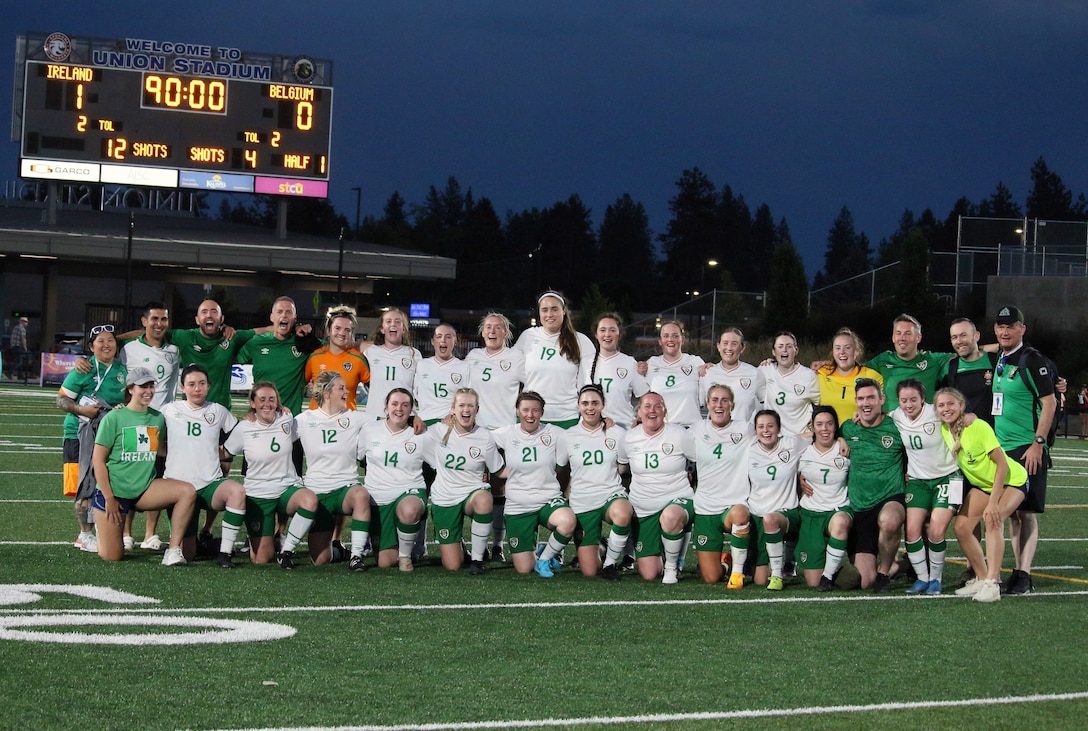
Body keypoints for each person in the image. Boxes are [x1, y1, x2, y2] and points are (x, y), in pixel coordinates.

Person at [89, 367, 197, 564]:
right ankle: (103, 529)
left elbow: (161, 449)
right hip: (115, 492)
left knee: (187, 491)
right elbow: (98, 460)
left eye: (151, 386)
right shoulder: (113, 418)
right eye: (143, 387)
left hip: (144, 490)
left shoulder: (158, 418)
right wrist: (109, 498)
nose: (148, 391)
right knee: (113, 556)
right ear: (130, 389)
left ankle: (173, 550)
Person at [937, 387, 1029, 603]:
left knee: (992, 519)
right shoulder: (944, 429)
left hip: (1011, 481)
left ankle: (992, 583)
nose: (946, 408)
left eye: (951, 403)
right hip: (983, 485)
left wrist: (994, 502)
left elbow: (1002, 465)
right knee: (961, 527)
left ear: (962, 406)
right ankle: (980, 577)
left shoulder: (978, 427)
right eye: (941, 405)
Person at [990, 305, 1057, 595]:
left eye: (1011, 327)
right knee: (1014, 514)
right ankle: (1015, 572)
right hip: (1002, 450)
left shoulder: (1032, 360)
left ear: (1022, 329)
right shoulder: (1001, 358)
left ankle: (1024, 574)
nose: (1005, 331)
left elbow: (1050, 402)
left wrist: (1038, 444)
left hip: (1026, 447)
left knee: (1025, 513)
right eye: (1001, 327)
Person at [222, 381, 319, 569]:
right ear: (252, 404)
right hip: (258, 493)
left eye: (272, 399)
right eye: (262, 399)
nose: (267, 404)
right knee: (261, 559)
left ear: (278, 403)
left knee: (309, 501)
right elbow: (225, 453)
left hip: (286, 488)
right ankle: (262, 540)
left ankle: (286, 552)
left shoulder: (286, 418)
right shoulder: (244, 428)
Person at [159, 364, 247, 568]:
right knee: (188, 554)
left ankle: (224, 552)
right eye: (191, 384)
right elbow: (147, 429)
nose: (197, 388)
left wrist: (259, 415)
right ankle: (204, 544)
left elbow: (242, 431)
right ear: (183, 388)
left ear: (208, 386)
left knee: (237, 491)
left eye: (201, 384)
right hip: (179, 488)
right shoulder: (169, 409)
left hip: (210, 484)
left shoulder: (218, 410)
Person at [56, 324, 127, 553]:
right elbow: (60, 401)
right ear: (91, 347)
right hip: (78, 434)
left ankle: (97, 529)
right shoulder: (83, 369)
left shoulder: (122, 371)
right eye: (100, 341)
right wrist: (81, 410)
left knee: (103, 482)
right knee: (83, 484)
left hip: (107, 436)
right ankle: (84, 534)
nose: (106, 345)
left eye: (111, 341)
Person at [117, 302, 180, 551]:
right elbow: (118, 377)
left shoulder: (175, 349)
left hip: (163, 423)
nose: (159, 324)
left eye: (163, 319)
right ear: (144, 321)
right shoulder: (128, 349)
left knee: (157, 475)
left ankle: (150, 535)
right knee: (133, 473)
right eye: (154, 318)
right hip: (135, 420)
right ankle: (126, 534)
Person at [294, 371, 373, 571]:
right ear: (327, 393)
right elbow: (276, 432)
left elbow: (390, 420)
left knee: (361, 495)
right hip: (316, 492)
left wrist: (413, 419)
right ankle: (341, 552)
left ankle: (356, 555)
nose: (347, 391)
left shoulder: (357, 418)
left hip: (346, 489)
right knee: (321, 559)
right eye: (342, 388)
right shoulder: (302, 420)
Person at [492, 391, 577, 577]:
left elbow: (581, 436)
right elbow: (476, 438)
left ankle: (545, 558)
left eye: (535, 410)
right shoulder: (506, 433)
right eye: (525, 410)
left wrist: (606, 422)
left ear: (542, 413)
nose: (530, 415)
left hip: (548, 498)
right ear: (517, 411)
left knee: (568, 521)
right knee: (524, 569)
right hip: (518, 505)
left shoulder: (555, 433)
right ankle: (539, 555)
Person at [464, 312, 525, 561]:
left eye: (497, 327)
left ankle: (498, 544)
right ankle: (472, 544)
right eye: (488, 327)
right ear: (482, 332)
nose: (492, 331)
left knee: (499, 489)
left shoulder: (515, 357)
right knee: (470, 488)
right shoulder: (473, 357)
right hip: (475, 434)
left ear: (505, 333)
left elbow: (532, 387)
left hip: (503, 433)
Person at [889, 379, 957, 595]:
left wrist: (970, 417)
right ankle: (922, 578)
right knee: (910, 531)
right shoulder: (896, 416)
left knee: (936, 531)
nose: (908, 405)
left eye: (913, 400)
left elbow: (960, 416)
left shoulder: (936, 412)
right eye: (903, 400)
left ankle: (936, 579)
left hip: (948, 478)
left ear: (922, 399)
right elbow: (876, 419)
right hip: (918, 481)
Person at [429, 387, 504, 574]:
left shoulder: (485, 436)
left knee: (485, 499)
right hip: (445, 498)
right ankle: (459, 544)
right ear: (453, 409)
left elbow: (499, 470)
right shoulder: (438, 431)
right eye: (461, 405)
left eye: (471, 405)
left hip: (472, 493)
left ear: (477, 410)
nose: (466, 410)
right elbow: (412, 430)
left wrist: (530, 470)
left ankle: (477, 560)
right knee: (453, 565)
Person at [841, 378, 906, 591]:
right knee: (864, 581)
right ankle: (899, 565)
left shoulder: (897, 426)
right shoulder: (848, 428)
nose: (865, 403)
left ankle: (885, 573)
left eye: (871, 398)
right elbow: (820, 438)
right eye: (861, 399)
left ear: (882, 400)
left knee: (889, 521)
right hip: (859, 506)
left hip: (890, 497)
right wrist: (841, 439)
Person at [624, 392, 696, 584]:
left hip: (677, 497)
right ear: (639, 412)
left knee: (671, 517)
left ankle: (672, 567)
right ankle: (668, 550)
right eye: (647, 406)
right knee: (649, 573)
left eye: (658, 406)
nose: (652, 411)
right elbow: (621, 467)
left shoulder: (680, 434)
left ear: (664, 411)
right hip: (644, 506)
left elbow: (700, 461)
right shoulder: (629, 438)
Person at [563, 384, 632, 580]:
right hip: (583, 500)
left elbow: (623, 468)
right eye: (585, 403)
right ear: (578, 406)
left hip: (610, 493)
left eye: (595, 403)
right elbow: (563, 468)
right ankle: (600, 547)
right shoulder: (568, 436)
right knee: (590, 570)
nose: (590, 407)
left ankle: (610, 563)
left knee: (623, 512)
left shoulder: (617, 433)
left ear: (603, 405)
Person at [358, 388, 429, 571]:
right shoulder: (370, 430)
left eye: (405, 405)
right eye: (395, 404)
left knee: (410, 509)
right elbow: (359, 458)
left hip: (409, 489)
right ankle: (403, 540)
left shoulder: (421, 433)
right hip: (378, 498)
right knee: (384, 562)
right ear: (386, 407)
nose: (399, 409)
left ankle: (406, 556)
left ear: (412, 410)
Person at [691, 384, 752, 588]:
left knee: (741, 513)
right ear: (707, 404)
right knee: (711, 577)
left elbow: (778, 432)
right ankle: (727, 564)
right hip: (705, 508)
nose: (719, 405)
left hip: (733, 505)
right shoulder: (697, 429)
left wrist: (839, 438)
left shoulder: (746, 429)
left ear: (732, 405)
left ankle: (737, 574)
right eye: (715, 400)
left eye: (724, 400)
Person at [514, 291, 595, 428]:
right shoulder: (528, 336)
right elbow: (509, 368)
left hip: (567, 418)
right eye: (544, 310)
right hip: (531, 416)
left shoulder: (580, 341)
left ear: (564, 311)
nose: (549, 314)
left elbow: (592, 379)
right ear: (539, 313)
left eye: (554, 309)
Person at [747, 409, 806, 590]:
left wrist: (841, 439)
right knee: (758, 580)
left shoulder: (792, 444)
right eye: (761, 427)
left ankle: (777, 575)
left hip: (785, 512)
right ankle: (733, 561)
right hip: (757, 514)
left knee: (770, 519)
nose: (766, 431)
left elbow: (820, 437)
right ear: (755, 430)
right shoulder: (748, 451)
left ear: (779, 429)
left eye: (770, 426)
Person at [798, 405, 852, 591]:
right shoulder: (801, 449)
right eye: (819, 424)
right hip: (811, 514)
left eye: (829, 424)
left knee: (841, 522)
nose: (824, 428)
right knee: (812, 581)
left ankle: (827, 577)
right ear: (812, 427)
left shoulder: (845, 449)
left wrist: (842, 439)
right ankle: (834, 568)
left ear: (836, 426)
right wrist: (798, 479)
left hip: (838, 509)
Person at [238, 296, 320, 417]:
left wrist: (357, 344)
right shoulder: (256, 343)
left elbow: (333, 347)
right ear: (272, 317)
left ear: (294, 319)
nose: (284, 315)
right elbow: (229, 357)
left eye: (289, 312)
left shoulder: (304, 343)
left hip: (290, 422)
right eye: (280, 311)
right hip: (261, 419)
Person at [867, 314, 953, 409]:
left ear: (918, 338)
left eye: (908, 333)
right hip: (891, 422)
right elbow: (854, 371)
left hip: (924, 422)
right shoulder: (883, 359)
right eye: (898, 333)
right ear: (893, 337)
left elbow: (964, 357)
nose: (902, 338)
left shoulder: (933, 360)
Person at [640, 320, 705, 428]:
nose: (670, 339)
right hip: (662, 431)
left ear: (682, 340)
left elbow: (712, 385)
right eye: (666, 336)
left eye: (675, 336)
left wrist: (711, 367)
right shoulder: (651, 364)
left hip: (690, 429)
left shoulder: (695, 362)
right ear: (660, 341)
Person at [590, 313, 649, 429]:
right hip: (592, 427)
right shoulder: (586, 362)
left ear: (619, 334)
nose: (607, 334)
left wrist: (640, 416)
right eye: (602, 330)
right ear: (596, 334)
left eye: (612, 330)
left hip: (622, 426)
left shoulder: (629, 362)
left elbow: (644, 395)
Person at [359, 308, 421, 418]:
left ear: (404, 329)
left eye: (398, 322)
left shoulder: (414, 354)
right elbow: (349, 345)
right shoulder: (371, 352)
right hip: (375, 418)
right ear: (382, 329)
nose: (393, 324)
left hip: (403, 419)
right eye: (388, 321)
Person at [305, 305, 370, 411]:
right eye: (337, 328)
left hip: (347, 423)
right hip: (317, 423)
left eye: (347, 330)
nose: (342, 333)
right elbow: (303, 386)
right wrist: (310, 390)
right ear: (328, 331)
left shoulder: (358, 359)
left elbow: (375, 389)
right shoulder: (314, 357)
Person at [699, 327, 765, 428]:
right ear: (718, 346)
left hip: (744, 438)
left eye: (734, 344)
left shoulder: (754, 373)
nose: (729, 348)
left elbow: (769, 403)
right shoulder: (707, 373)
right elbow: (695, 405)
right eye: (725, 343)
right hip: (715, 437)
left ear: (742, 348)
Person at [816, 327, 883, 425]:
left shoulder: (872, 377)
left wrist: (869, 415)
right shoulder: (821, 374)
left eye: (847, 347)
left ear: (856, 351)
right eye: (837, 348)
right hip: (829, 436)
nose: (842, 352)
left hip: (860, 435)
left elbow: (881, 408)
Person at [761, 331, 819, 436]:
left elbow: (822, 404)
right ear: (774, 352)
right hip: (773, 440)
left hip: (799, 439)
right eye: (780, 346)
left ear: (796, 351)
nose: (784, 350)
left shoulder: (809, 376)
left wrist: (815, 421)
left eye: (789, 346)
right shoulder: (765, 370)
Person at [415, 323, 471, 425]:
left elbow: (469, 398)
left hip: (452, 424)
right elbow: (414, 394)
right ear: (432, 341)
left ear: (455, 342)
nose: (443, 340)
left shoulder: (464, 367)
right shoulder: (422, 365)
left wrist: (455, 415)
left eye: (448, 337)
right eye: (439, 336)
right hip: (425, 422)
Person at [9, 315, 29, 382]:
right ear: (22, 322)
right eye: (25, 322)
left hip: (13, 346)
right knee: (19, 361)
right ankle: (10, 372)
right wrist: (25, 347)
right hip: (18, 346)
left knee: (17, 360)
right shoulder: (22, 329)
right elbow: (23, 339)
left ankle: (20, 375)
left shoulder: (15, 327)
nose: (27, 323)